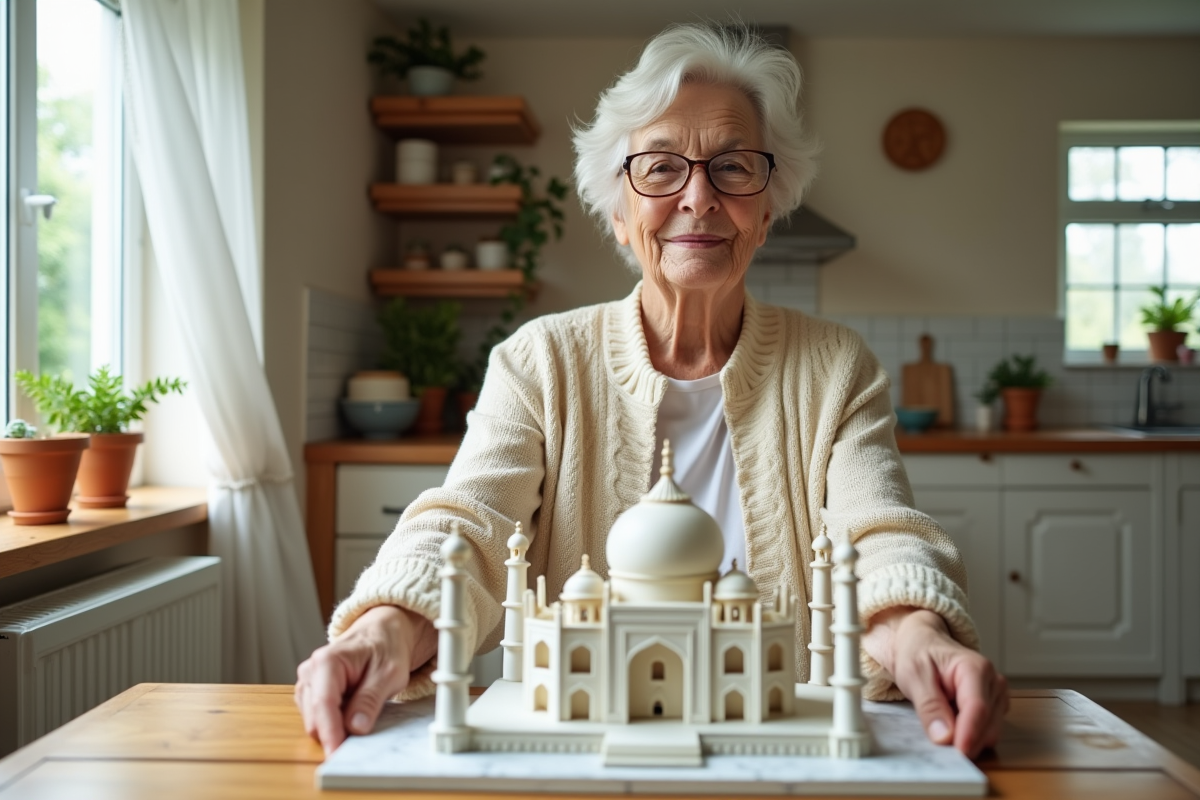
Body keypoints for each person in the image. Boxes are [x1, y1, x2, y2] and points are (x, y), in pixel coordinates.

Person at [295, 22, 1008, 759]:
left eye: (733, 168)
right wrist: (386, 623)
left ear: (767, 212)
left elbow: (878, 530)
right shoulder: (539, 361)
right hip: (581, 754)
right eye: (661, 168)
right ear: (618, 213)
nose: (698, 197)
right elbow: (468, 526)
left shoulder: (835, 366)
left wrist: (915, 629)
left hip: (782, 752)